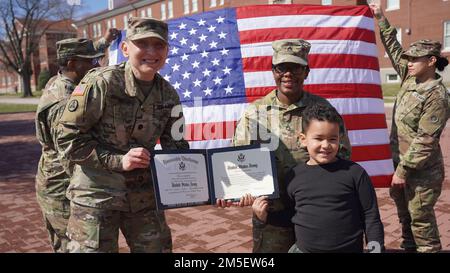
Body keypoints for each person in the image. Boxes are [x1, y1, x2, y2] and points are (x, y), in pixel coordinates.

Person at [56, 17, 189, 253]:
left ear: (167, 51)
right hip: (95, 195)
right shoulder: (101, 83)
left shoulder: (168, 94)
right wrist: (119, 160)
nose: (151, 51)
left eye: (158, 45)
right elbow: (67, 139)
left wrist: (205, 183)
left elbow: (177, 147)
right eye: (142, 44)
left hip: (143, 198)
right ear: (126, 48)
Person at [228, 39, 352, 253]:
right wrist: (241, 190)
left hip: (316, 212)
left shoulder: (322, 109)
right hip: (272, 215)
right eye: (281, 67)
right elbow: (237, 159)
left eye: (295, 67)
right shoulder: (255, 113)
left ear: (307, 71)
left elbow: (343, 155)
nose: (288, 73)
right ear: (272, 70)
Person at [369, 2, 449, 253]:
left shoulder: (437, 95)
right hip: (399, 164)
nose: (409, 61)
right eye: (409, 58)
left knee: (421, 222)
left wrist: (402, 171)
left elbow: (426, 140)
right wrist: (381, 17)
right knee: (405, 219)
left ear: (431, 61)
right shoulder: (409, 77)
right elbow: (393, 47)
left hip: (421, 172)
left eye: (415, 58)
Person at [252, 103, 384, 253]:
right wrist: (266, 216)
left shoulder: (355, 173)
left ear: (340, 139)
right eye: (318, 138)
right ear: (303, 139)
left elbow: (370, 215)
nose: (326, 145)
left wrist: (376, 248)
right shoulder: (294, 177)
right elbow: (292, 215)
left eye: (332, 139)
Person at [35, 38, 108, 253]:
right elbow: (72, 154)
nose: (97, 66)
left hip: (58, 182)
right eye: (91, 62)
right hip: (62, 189)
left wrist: (106, 41)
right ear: (72, 64)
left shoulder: (61, 83)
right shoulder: (64, 103)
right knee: (73, 246)